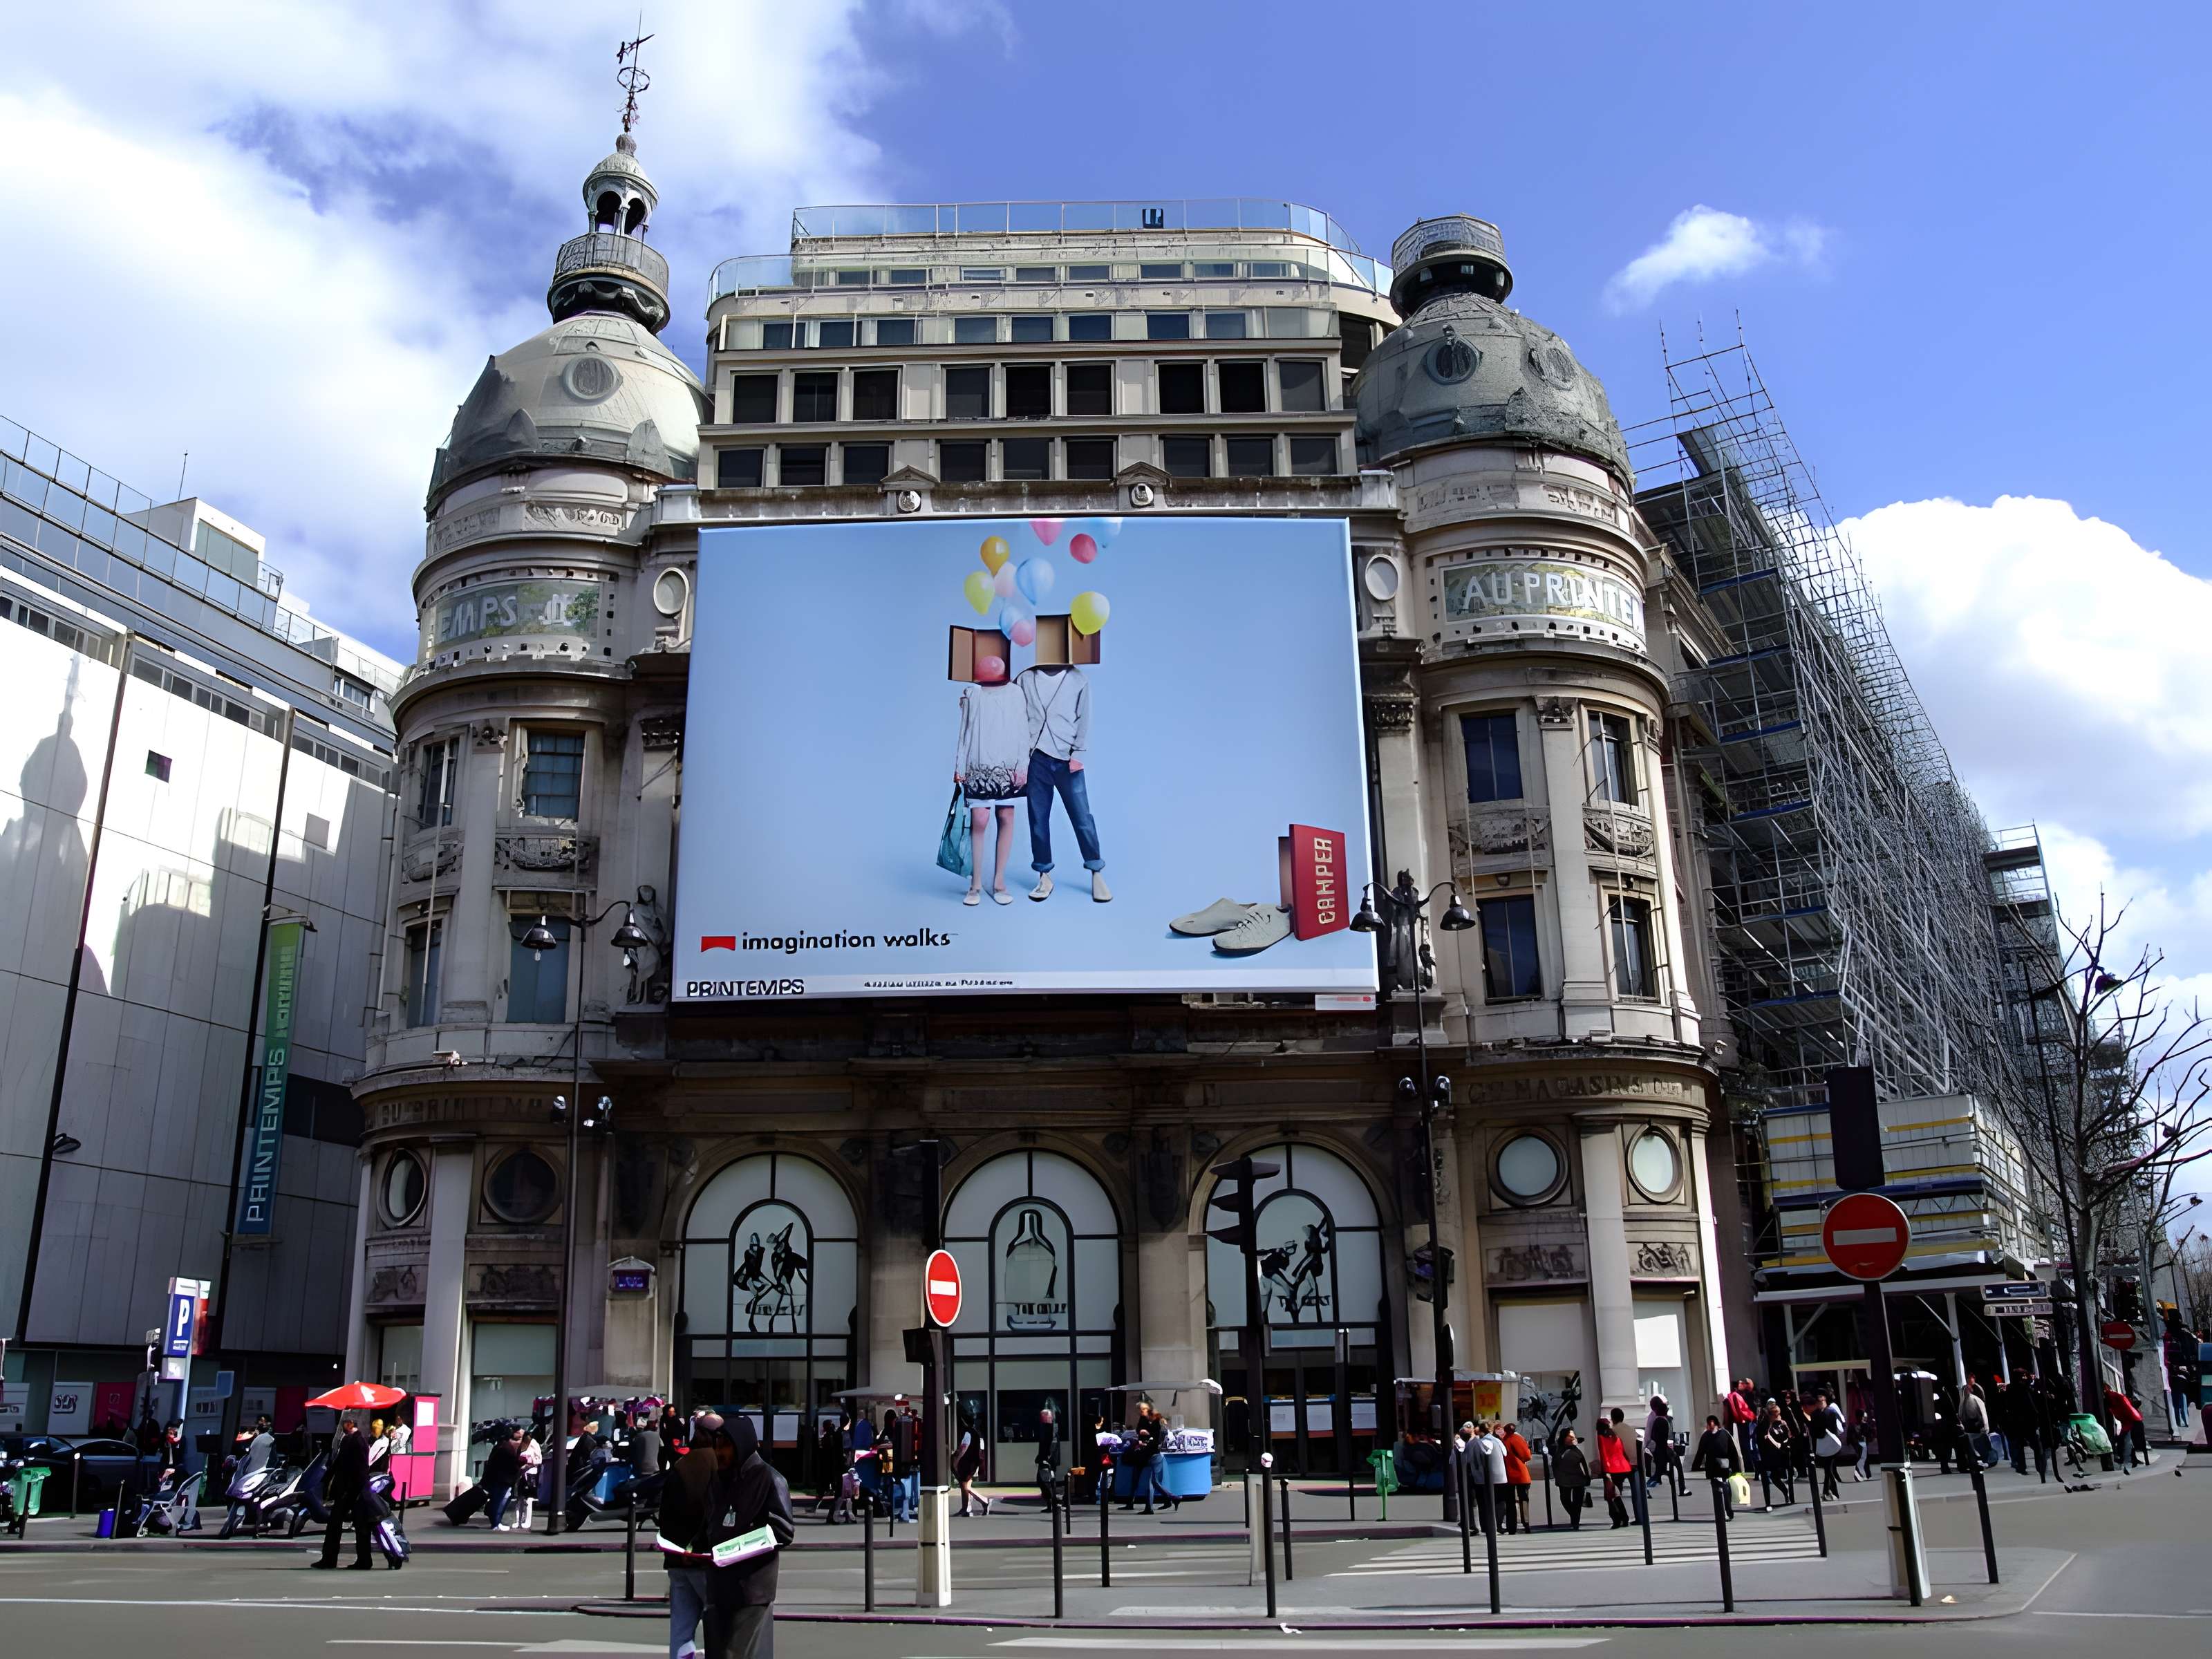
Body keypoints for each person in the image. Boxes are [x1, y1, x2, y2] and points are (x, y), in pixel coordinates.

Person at [671, 1415, 794, 1659]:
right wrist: (693, 1550)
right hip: (718, 1585)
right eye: (717, 1446)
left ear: (741, 1444)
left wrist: (739, 1548)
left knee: (732, 1653)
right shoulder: (719, 1480)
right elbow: (710, 1523)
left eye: (725, 1446)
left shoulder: (769, 1478)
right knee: (719, 1651)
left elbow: (782, 1530)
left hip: (750, 1588)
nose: (719, 1453)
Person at [1017, 658, 1109, 903]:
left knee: (1082, 818)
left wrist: (1079, 753)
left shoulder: (1078, 678)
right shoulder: (1025, 678)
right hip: (1036, 759)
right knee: (1038, 820)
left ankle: (1096, 871)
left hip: (1067, 759)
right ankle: (1044, 874)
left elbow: (1084, 717)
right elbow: (1012, 712)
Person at [953, 657, 1030, 905]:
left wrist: (1023, 767)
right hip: (979, 764)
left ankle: (999, 882)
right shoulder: (972, 693)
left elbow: (1023, 730)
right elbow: (964, 731)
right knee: (980, 819)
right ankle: (975, 884)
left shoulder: (1017, 693)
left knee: (1006, 816)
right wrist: (960, 766)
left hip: (1009, 766)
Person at [314, 1416, 374, 1570]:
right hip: (349, 1489)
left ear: (350, 1424)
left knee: (350, 1525)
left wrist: (359, 1489)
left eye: (343, 1424)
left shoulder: (357, 1440)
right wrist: (326, 1478)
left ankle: (339, 1559)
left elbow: (360, 1468)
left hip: (351, 1490)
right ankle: (336, 1559)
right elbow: (338, 1463)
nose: (342, 1427)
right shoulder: (350, 1439)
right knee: (354, 1525)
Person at [1691, 1412, 1742, 1519]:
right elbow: (1701, 1452)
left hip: (1722, 1466)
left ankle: (1727, 1512)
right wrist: (1696, 1466)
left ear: (1713, 1423)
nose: (1708, 1426)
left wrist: (1736, 1469)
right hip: (1717, 1467)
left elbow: (1732, 1452)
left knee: (1723, 1488)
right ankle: (1725, 1512)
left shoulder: (1721, 1434)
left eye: (1709, 1424)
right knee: (1721, 1489)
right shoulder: (1710, 1435)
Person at [1594, 1417, 1633, 1528]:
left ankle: (1617, 1519)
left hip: (1611, 1469)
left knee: (1610, 1496)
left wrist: (1606, 1473)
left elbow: (1604, 1455)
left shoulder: (1601, 1438)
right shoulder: (1616, 1437)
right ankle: (1624, 1518)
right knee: (1616, 1494)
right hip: (1624, 1468)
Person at [482, 1427, 524, 1530]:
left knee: (498, 1500)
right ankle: (496, 1523)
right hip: (503, 1479)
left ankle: (496, 1522)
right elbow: (511, 1465)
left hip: (498, 1478)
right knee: (500, 1501)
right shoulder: (507, 1448)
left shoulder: (500, 1446)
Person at [1756, 1402, 1795, 1508]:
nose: (1779, 1416)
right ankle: (1768, 1503)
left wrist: (1784, 1444)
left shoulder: (1782, 1424)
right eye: (1777, 1415)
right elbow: (1763, 1440)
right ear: (1771, 1415)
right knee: (1771, 1478)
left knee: (1778, 1476)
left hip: (1782, 1454)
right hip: (1768, 1456)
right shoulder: (1764, 1426)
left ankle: (1789, 1495)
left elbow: (1789, 1436)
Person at [953, 1407, 991, 1517]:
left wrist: (956, 1460)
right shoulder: (977, 1433)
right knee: (967, 1486)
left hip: (968, 1463)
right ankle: (968, 1507)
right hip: (975, 1463)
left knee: (965, 1486)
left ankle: (981, 1502)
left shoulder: (968, 1433)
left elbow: (963, 1448)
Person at [1809, 1390, 1846, 1499]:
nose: (1821, 1403)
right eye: (1819, 1402)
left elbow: (1836, 1427)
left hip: (1831, 1442)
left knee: (1828, 1468)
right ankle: (1828, 1491)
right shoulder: (1815, 1414)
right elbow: (1814, 1430)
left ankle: (1831, 1491)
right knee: (1827, 1469)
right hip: (1822, 1443)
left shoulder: (1830, 1412)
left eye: (1823, 1401)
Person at [1552, 1427, 1591, 1528]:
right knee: (1565, 1500)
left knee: (1577, 1503)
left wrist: (1587, 1477)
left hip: (1578, 1479)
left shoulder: (1578, 1449)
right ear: (1564, 1438)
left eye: (1574, 1437)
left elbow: (1584, 1464)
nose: (1573, 1438)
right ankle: (1574, 1516)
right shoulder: (1558, 1449)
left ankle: (1575, 1522)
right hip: (1564, 1480)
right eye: (1570, 1437)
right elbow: (1554, 1464)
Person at [1500, 1421, 1533, 1533]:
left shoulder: (1503, 1441)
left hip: (1508, 1475)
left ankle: (1511, 1526)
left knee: (1510, 1502)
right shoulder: (1518, 1439)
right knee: (1523, 1499)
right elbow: (1527, 1456)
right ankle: (1526, 1523)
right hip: (1521, 1474)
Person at [1958, 1380, 1994, 1470]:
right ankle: (1978, 1461)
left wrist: (1983, 1426)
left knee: (1979, 1445)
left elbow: (1982, 1414)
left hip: (1976, 1426)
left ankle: (1983, 1460)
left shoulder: (1974, 1400)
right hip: (1970, 1426)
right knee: (1974, 1446)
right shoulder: (1964, 1400)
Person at [1034, 1405, 1062, 1515]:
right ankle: (1051, 1503)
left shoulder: (1049, 1431)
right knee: (1044, 1482)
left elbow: (1051, 1446)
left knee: (1045, 1482)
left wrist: (1046, 1459)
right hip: (1045, 1460)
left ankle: (1052, 1503)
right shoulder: (1047, 1430)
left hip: (1047, 1462)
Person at [1726, 1379, 1757, 1471]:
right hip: (1743, 1423)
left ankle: (1750, 1466)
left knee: (1748, 1446)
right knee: (1745, 1446)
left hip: (1746, 1422)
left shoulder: (1747, 1396)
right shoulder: (1736, 1396)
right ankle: (1749, 1466)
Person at [517, 1428, 544, 1532]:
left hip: (530, 1473)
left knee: (528, 1499)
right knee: (520, 1498)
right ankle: (519, 1521)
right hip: (522, 1473)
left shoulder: (533, 1444)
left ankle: (527, 1521)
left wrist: (529, 1465)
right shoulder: (522, 1445)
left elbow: (538, 1460)